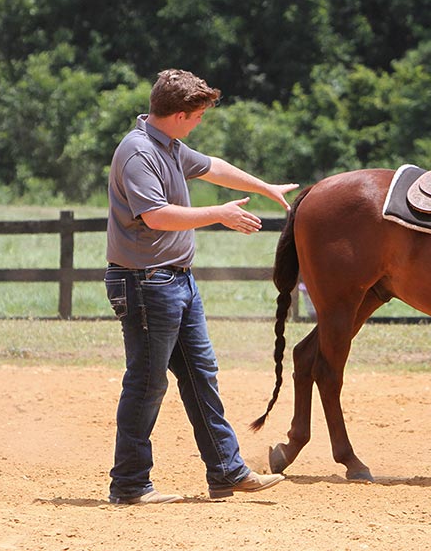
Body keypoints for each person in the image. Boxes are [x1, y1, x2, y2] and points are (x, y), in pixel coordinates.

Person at [105, 68, 298, 504]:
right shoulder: (138, 153)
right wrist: (219, 214)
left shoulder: (168, 145)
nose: (199, 123)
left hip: (174, 281)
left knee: (199, 376)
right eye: (196, 116)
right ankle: (131, 485)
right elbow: (155, 215)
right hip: (145, 282)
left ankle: (226, 472)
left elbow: (213, 167)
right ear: (176, 115)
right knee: (147, 382)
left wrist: (263, 187)